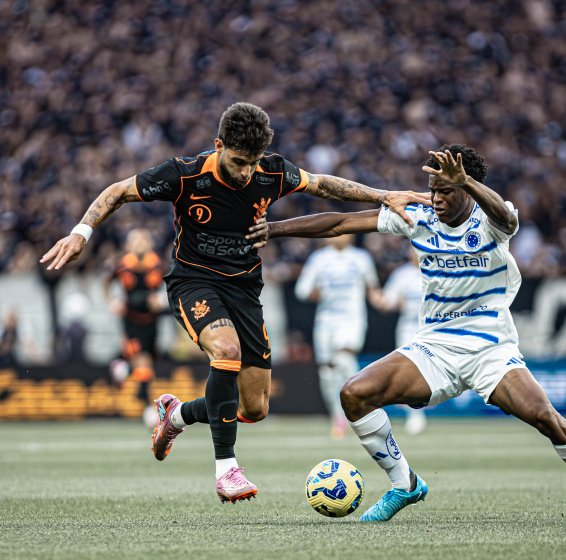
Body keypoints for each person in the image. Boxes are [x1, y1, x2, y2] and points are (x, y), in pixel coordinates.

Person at [41, 102, 428, 504]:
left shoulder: (271, 171)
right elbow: (118, 191)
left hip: (244, 290)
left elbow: (323, 185)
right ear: (219, 145)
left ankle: (175, 415)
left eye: (253, 163)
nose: (247, 172)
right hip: (194, 282)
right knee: (226, 351)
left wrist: (383, 195)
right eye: (240, 161)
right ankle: (227, 469)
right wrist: (81, 233)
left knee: (254, 407)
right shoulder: (185, 174)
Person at [249, 144, 566, 522]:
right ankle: (404, 485)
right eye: (432, 190)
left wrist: (469, 182)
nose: (436, 199)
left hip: (490, 348)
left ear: (468, 190)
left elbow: (508, 219)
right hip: (434, 346)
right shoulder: (418, 217)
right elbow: (338, 224)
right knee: (354, 394)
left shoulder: (493, 221)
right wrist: (275, 229)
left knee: (546, 418)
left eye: (445, 192)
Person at [295, 234, 380, 438]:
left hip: (352, 319)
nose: (338, 236)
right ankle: (338, 417)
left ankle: (360, 409)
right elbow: (302, 290)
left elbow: (372, 287)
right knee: (327, 373)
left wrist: (382, 301)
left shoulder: (361, 258)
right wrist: (318, 294)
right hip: (325, 322)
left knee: (344, 357)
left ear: (350, 235)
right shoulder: (319, 258)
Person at [104, 229, 166, 428]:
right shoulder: (121, 265)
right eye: (135, 240)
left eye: (143, 239)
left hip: (152, 320)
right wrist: (111, 302)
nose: (139, 243)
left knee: (148, 364)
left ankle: (123, 368)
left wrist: (162, 299)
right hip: (130, 320)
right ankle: (148, 408)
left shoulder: (159, 264)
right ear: (128, 245)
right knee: (143, 362)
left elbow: (175, 285)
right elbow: (105, 282)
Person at [368, 248, 428, 434]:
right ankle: (415, 415)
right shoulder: (402, 275)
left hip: (435, 329)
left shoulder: (439, 269)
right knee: (409, 372)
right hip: (408, 329)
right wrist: (374, 295)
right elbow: (387, 303)